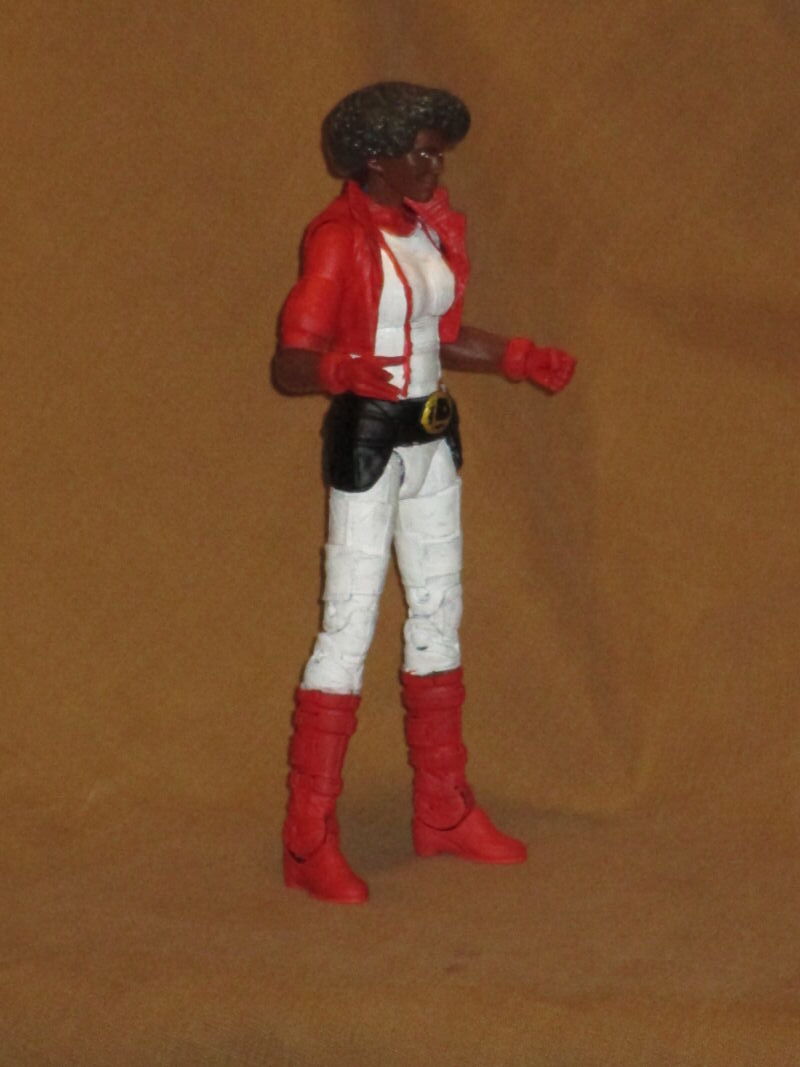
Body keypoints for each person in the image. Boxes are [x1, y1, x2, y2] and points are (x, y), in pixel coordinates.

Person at [273, 82, 575, 904]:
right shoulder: (338, 240)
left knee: (439, 611)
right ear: (378, 157)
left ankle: (443, 808)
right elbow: (290, 361)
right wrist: (338, 368)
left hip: (433, 439)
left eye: (439, 154)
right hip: (370, 443)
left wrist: (517, 357)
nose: (437, 168)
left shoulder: (424, 230)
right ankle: (308, 837)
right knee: (348, 624)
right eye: (425, 153)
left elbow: (438, 338)